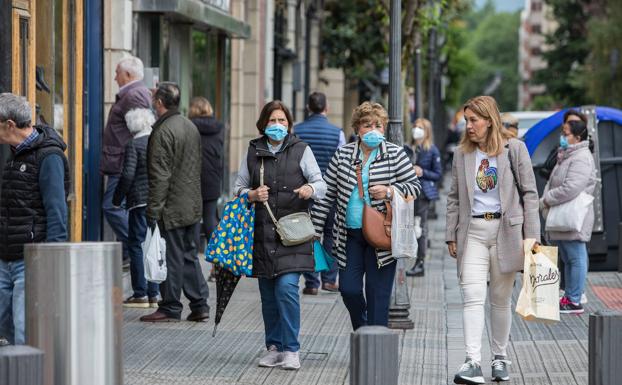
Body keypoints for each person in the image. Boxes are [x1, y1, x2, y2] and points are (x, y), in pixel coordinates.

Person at [446, 96, 540, 384]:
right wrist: (451, 233)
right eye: (467, 121)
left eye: (474, 120)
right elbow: (453, 197)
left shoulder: (515, 149)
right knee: (472, 298)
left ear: (490, 120)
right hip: (472, 231)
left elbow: (530, 194)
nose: (469, 126)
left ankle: (500, 358)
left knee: (500, 300)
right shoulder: (461, 154)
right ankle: (472, 361)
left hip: (507, 232)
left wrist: (532, 236)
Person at [310, 101, 421, 331]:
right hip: (349, 236)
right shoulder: (343, 154)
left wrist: (390, 191)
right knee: (348, 289)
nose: (372, 130)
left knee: (378, 295)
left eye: (378, 125)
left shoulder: (394, 153)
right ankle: (363, 331)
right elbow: (326, 194)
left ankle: (377, 350)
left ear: (384, 128)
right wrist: (314, 231)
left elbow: (414, 187)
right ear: (357, 128)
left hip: (382, 238)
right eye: (366, 125)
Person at [233, 100, 326, 370]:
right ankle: (273, 347)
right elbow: (238, 186)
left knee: (286, 288)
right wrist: (250, 194)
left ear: (289, 124)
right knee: (268, 293)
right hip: (261, 234)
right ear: (264, 124)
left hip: (292, 234)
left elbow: (320, 182)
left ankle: (291, 349)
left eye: (282, 121)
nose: (277, 126)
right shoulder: (253, 150)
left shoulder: (301, 150)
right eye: (272, 121)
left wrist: (310, 189)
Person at [0, 93, 69, 344]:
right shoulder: (15, 153)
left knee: (23, 328)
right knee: (5, 320)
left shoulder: (48, 156)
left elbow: (56, 210)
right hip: (6, 256)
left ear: (9, 125)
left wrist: (52, 259)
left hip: (31, 257)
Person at [140, 82, 210, 323]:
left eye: (154, 98)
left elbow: (160, 176)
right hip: (191, 202)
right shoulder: (189, 126)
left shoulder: (163, 131)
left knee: (172, 256)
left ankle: (170, 306)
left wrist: (153, 210)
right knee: (188, 254)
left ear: (159, 103)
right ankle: (200, 304)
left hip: (172, 205)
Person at [541, 119, 596, 315]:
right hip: (561, 213)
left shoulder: (581, 157)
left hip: (572, 215)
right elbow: (554, 180)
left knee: (576, 256)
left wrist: (547, 199)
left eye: (566, 133)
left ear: (577, 137)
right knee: (568, 256)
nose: (562, 137)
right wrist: (547, 196)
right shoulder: (567, 155)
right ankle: (570, 296)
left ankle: (574, 300)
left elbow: (571, 187)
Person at [101, 56, 152, 264]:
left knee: (112, 206)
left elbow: (142, 129)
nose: (114, 78)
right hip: (120, 160)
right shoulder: (133, 93)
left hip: (123, 162)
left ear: (128, 75)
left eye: (117, 73)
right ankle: (132, 249)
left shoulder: (134, 94)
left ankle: (135, 248)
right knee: (118, 207)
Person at [293, 92, 345, 294]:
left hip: (305, 192)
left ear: (308, 107)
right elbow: (341, 162)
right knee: (332, 234)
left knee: (308, 235)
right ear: (327, 108)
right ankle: (330, 279)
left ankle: (311, 282)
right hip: (331, 192)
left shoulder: (297, 130)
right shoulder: (336, 133)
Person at [113, 108, 159, 308]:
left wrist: (117, 198)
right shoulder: (156, 142)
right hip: (157, 201)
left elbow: (128, 174)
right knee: (153, 246)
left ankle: (140, 293)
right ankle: (154, 293)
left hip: (139, 202)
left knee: (137, 245)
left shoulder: (134, 144)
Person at [188, 97, 225, 282]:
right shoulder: (218, 128)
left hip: (192, 179)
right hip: (212, 179)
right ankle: (216, 266)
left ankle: (192, 267)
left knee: (194, 220)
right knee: (211, 221)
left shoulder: (189, 126)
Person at [404, 118, 442, 277]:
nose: (416, 130)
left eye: (419, 128)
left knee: (420, 227)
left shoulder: (432, 150)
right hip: (406, 193)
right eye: (414, 127)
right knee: (407, 226)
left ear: (426, 131)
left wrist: (422, 172)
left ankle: (420, 263)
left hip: (422, 194)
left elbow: (438, 174)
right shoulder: (407, 148)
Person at [539, 110, 587, 180]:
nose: (572, 125)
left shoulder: (585, 153)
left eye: (576, 123)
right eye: (569, 122)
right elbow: (546, 167)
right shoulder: (560, 148)